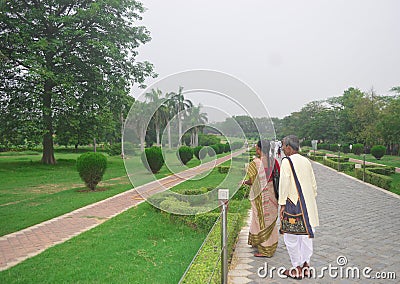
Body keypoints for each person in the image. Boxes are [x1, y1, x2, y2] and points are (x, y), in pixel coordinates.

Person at [279, 135, 319, 279]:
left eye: (283, 146)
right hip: (308, 205)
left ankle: (296, 268)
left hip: (293, 204)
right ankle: (306, 266)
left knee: (291, 237)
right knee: (306, 236)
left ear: (289, 147)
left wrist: (282, 204)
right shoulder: (306, 161)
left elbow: (284, 184)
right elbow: (314, 186)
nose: (282, 148)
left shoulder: (287, 162)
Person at [242, 140, 280, 257]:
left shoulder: (256, 163)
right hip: (272, 193)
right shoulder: (274, 161)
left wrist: (245, 182)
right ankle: (266, 243)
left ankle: (265, 249)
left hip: (261, 195)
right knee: (269, 220)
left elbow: (254, 181)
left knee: (261, 220)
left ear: (259, 149)